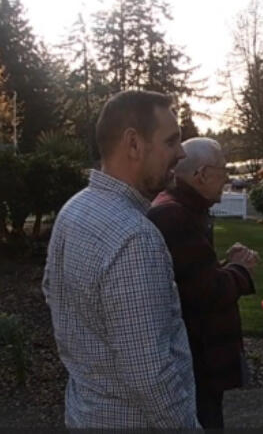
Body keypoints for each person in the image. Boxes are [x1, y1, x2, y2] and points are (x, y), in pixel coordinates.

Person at [41, 90, 198, 429]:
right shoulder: (134, 238)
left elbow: (54, 296)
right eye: (171, 141)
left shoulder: (73, 210)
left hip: (85, 416)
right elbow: (150, 376)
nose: (181, 153)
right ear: (134, 144)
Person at [147, 137, 259, 429]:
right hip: (197, 360)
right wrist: (241, 269)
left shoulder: (184, 207)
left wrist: (224, 265)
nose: (228, 179)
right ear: (202, 174)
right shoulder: (175, 214)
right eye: (223, 170)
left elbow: (192, 279)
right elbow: (208, 293)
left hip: (199, 357)